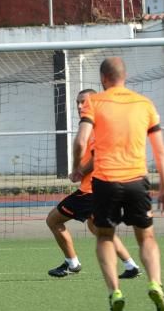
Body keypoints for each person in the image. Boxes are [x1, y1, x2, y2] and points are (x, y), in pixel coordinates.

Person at [70, 57, 164, 311]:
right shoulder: (145, 104)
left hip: (105, 182)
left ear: (103, 78)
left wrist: (76, 168)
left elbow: (81, 141)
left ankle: (115, 292)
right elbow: (160, 152)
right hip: (137, 181)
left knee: (104, 237)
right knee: (146, 238)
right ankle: (155, 284)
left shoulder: (95, 102)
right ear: (124, 77)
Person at [47, 89, 140, 281]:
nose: (80, 106)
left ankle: (72, 263)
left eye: (84, 102)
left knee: (53, 220)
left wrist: (79, 171)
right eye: (77, 102)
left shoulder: (99, 125)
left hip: (91, 191)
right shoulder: (95, 124)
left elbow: (98, 156)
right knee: (98, 229)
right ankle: (130, 265)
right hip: (100, 188)